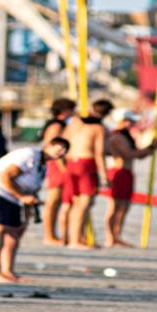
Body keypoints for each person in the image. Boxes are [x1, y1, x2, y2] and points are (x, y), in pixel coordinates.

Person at [0, 137, 68, 284]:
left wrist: (28, 211)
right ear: (48, 145)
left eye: (65, 151)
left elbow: (31, 191)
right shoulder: (30, 155)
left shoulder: (42, 167)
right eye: (59, 148)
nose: (61, 152)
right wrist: (23, 197)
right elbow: (6, 176)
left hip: (11, 198)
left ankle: (8, 272)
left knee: (15, 232)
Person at [102, 109, 157, 248]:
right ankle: (110, 237)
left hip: (127, 173)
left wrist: (150, 149)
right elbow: (129, 154)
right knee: (115, 206)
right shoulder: (117, 137)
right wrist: (150, 148)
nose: (131, 124)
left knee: (125, 206)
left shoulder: (126, 136)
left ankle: (117, 235)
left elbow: (138, 155)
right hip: (118, 172)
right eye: (130, 121)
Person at [62, 98, 113, 250]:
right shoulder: (98, 128)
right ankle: (75, 240)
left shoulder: (75, 122)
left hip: (71, 162)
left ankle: (76, 237)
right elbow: (99, 153)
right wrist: (104, 176)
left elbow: (62, 141)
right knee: (84, 204)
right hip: (86, 163)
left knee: (76, 203)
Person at [38, 97, 76, 246]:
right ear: (65, 111)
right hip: (56, 165)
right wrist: (64, 168)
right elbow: (54, 148)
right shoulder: (56, 126)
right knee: (53, 200)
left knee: (57, 200)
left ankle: (53, 234)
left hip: (56, 164)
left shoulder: (57, 124)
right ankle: (49, 235)